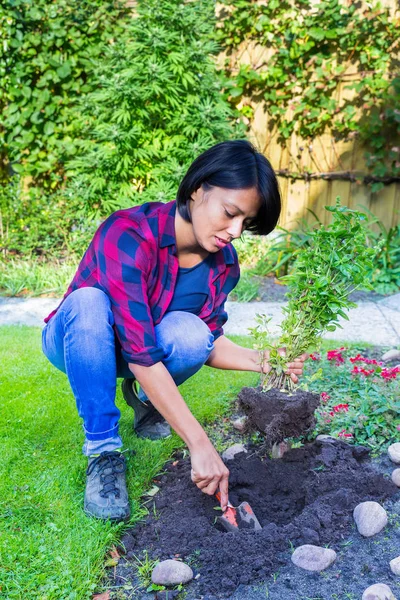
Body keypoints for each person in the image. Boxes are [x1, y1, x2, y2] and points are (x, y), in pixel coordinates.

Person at [42, 140, 307, 522]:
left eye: (245, 224)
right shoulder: (129, 233)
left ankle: (149, 404)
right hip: (78, 339)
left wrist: (262, 360)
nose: (234, 231)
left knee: (193, 331)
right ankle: (103, 451)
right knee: (89, 301)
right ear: (198, 189)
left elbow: (206, 342)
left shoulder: (223, 265)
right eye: (230, 213)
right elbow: (141, 352)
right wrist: (200, 444)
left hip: (137, 353)